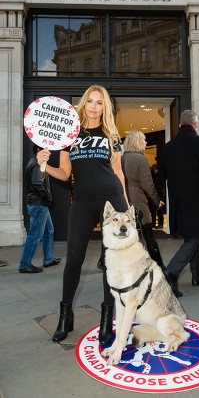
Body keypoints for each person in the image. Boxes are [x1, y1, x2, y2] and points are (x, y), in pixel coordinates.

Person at [37, 85, 128, 344]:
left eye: (99, 102)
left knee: (110, 262)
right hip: (83, 201)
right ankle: (66, 317)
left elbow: (118, 172)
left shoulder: (111, 133)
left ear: (104, 107)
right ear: (83, 103)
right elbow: (65, 173)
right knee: (73, 261)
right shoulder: (69, 133)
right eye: (90, 101)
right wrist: (45, 165)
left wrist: (126, 208)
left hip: (112, 200)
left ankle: (107, 318)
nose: (94, 106)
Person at [157, 109, 199, 297]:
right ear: (196, 125)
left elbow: (161, 177)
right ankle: (170, 272)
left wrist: (156, 199)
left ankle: (197, 275)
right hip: (196, 200)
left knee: (190, 237)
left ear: (179, 126)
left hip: (177, 202)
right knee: (195, 238)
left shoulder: (168, 147)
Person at [122, 131, 164, 268]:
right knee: (148, 236)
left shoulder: (120, 158)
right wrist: (157, 201)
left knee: (125, 237)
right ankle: (159, 266)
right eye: (143, 140)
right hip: (138, 202)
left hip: (122, 201)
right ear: (136, 142)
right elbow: (148, 184)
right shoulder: (140, 159)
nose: (146, 143)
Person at [19, 144, 61, 274]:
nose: (49, 153)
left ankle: (48, 259)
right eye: (45, 150)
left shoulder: (35, 162)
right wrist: (46, 198)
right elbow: (37, 184)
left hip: (39, 204)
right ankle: (24, 264)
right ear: (39, 150)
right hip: (39, 204)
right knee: (35, 235)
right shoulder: (38, 163)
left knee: (49, 230)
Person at [150, 164, 165, 229]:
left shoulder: (152, 176)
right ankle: (160, 224)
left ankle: (154, 224)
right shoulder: (160, 176)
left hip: (154, 194)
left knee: (154, 211)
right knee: (159, 211)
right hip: (159, 194)